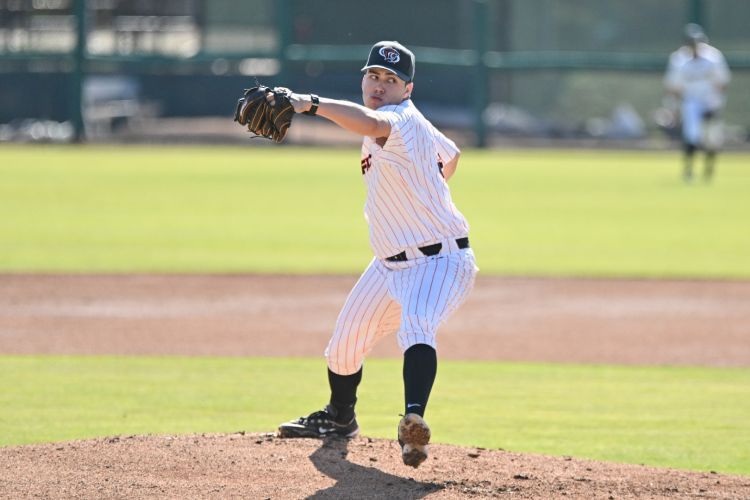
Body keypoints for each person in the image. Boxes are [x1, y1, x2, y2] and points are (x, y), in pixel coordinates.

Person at [275, 41, 478, 468]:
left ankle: (413, 422)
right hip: (387, 263)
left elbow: (367, 121)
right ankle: (339, 419)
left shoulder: (399, 119)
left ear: (408, 88)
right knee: (343, 349)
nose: (379, 85)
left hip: (439, 261)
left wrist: (306, 103)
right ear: (364, 78)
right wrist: (429, 183)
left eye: (391, 79)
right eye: (373, 76)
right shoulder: (413, 124)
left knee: (417, 326)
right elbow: (453, 154)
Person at [663, 23, 731, 183]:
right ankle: (689, 171)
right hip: (691, 101)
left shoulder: (713, 57)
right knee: (691, 136)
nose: (694, 47)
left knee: (711, 138)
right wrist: (672, 107)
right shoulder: (679, 59)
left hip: (709, 100)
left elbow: (721, 83)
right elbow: (673, 87)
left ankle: (708, 170)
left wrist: (715, 104)